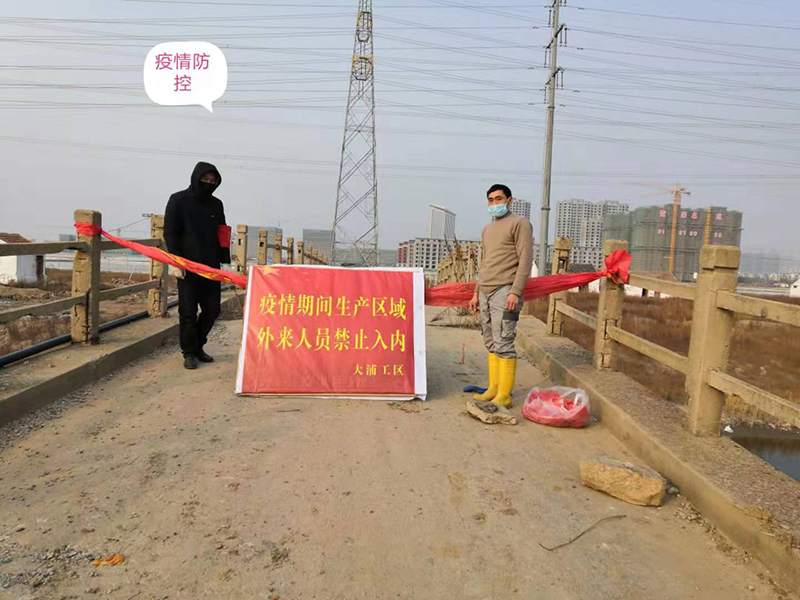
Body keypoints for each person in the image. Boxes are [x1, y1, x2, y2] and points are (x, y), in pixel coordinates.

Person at [469, 184, 533, 407]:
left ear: (509, 200)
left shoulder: (520, 223)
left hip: (505, 290)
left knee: (504, 340)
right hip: (485, 290)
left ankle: (504, 396)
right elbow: (485, 262)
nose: (494, 203)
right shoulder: (487, 229)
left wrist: (515, 291)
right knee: (490, 341)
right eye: (491, 200)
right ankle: (493, 389)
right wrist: (476, 292)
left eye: (498, 199)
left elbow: (525, 259)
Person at [164, 161, 231, 370]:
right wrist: (176, 261)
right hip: (187, 266)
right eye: (205, 179)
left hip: (211, 267)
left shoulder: (216, 204)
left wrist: (224, 259)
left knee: (212, 310)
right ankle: (189, 352)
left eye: (213, 180)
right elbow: (170, 233)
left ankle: (198, 345)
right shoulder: (178, 200)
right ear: (196, 177)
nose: (208, 183)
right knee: (188, 311)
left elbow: (222, 231)